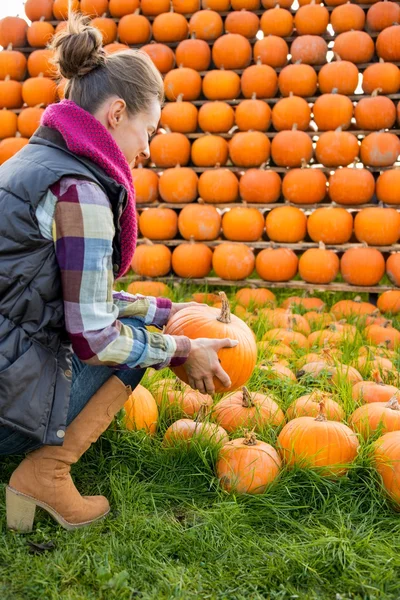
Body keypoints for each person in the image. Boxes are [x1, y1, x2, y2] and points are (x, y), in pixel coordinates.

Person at [0, 14, 237, 533]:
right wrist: (179, 345)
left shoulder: (30, 163)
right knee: (135, 346)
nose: (147, 149)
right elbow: (94, 336)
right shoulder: (81, 191)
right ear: (116, 113)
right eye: (146, 131)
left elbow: (57, 291)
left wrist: (169, 309)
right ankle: (46, 474)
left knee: (145, 327)